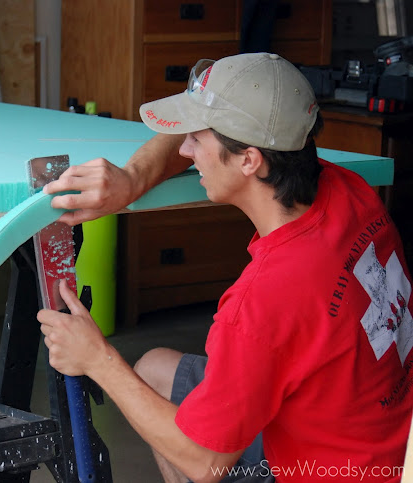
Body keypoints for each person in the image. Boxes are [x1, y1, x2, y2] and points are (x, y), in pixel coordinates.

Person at [38, 52, 413, 482]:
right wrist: (132, 179)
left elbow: (206, 464)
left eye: (197, 138)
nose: (184, 149)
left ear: (249, 160)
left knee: (186, 436)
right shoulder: (348, 190)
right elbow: (202, 141)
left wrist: (97, 359)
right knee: (155, 371)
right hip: (389, 446)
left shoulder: (262, 301)